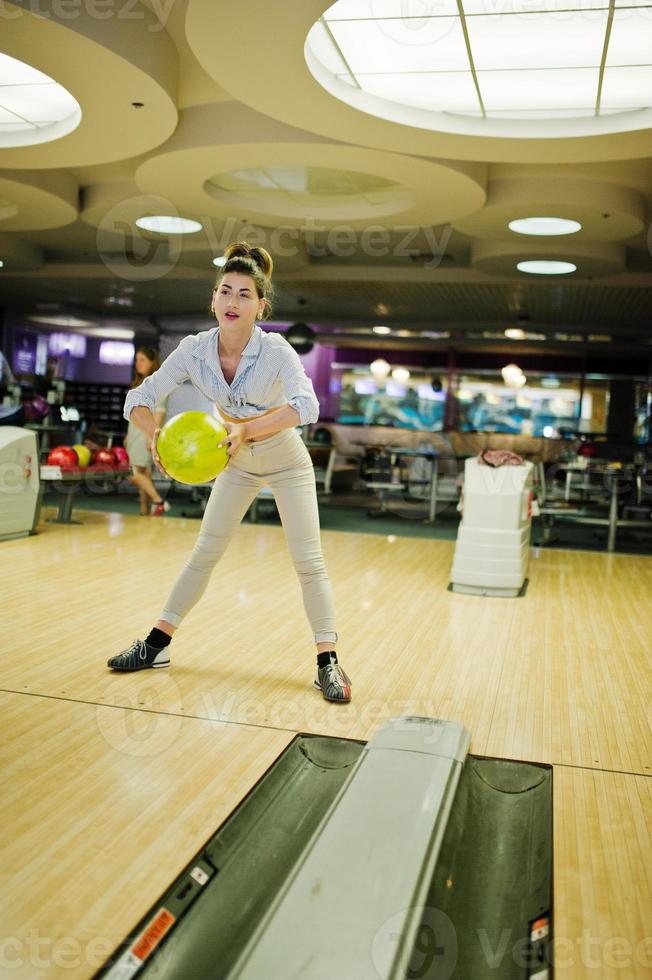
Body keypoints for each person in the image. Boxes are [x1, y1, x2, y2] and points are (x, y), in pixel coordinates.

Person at [107, 242, 351, 703]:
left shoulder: (276, 350)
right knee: (204, 553)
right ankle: (155, 645)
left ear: (261, 306)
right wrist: (156, 435)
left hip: (285, 461)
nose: (233, 301)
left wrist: (248, 430)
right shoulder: (194, 349)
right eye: (225, 291)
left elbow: (307, 405)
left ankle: (328, 662)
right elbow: (136, 399)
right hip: (235, 462)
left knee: (309, 562)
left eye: (244, 294)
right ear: (213, 300)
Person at [125, 347, 169, 516]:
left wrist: (152, 436)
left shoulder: (157, 384)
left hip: (145, 434)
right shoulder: (138, 384)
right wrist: (128, 436)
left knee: (132, 473)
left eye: (142, 360)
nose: (138, 364)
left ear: (152, 363)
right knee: (144, 473)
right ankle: (144, 511)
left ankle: (159, 501)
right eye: (137, 360)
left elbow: (160, 411)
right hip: (135, 434)